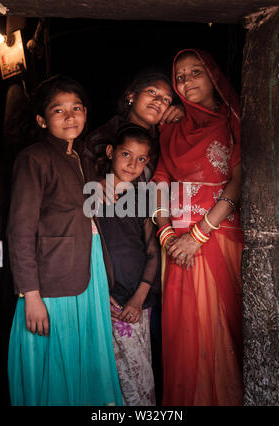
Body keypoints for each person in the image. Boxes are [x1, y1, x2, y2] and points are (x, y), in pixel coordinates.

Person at [6, 75, 123, 406]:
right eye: (59, 110)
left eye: (77, 108)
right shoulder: (34, 159)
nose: (70, 116)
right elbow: (20, 229)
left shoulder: (82, 158)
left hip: (90, 270)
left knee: (86, 354)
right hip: (53, 279)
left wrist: (98, 186)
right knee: (57, 357)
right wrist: (30, 294)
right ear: (42, 120)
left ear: (86, 113)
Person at [152, 49, 243, 406]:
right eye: (180, 77)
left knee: (221, 336)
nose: (187, 81)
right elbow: (160, 180)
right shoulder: (171, 128)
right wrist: (167, 234)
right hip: (176, 247)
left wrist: (198, 235)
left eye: (196, 72)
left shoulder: (234, 119)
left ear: (214, 76)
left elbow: (239, 181)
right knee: (186, 341)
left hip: (217, 240)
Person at [95, 124, 160, 406]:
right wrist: (97, 291)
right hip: (101, 299)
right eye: (126, 154)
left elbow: (152, 252)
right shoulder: (91, 195)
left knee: (139, 376)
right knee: (107, 377)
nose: (133, 164)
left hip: (136, 300)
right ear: (110, 152)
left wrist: (138, 298)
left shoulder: (143, 199)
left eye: (142, 159)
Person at [85, 71, 183, 181]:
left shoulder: (166, 140)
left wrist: (187, 114)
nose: (159, 101)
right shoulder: (99, 138)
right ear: (132, 96)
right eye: (152, 92)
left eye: (166, 100)